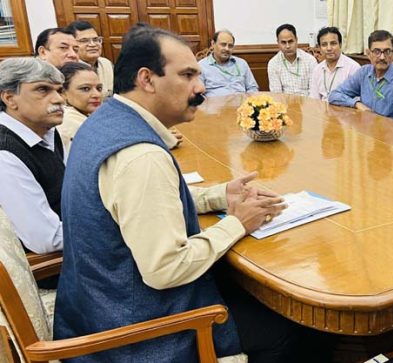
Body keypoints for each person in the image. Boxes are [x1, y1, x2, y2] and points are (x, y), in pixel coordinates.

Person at [54, 27, 296, 362]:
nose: (201, 87)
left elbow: (139, 204)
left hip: (93, 305)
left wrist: (219, 195)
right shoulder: (142, 157)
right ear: (147, 79)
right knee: (289, 329)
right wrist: (238, 223)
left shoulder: (104, 120)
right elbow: (166, 269)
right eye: (188, 75)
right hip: (133, 330)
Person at [0, 58, 65, 255]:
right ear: (10, 99)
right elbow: (46, 239)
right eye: (43, 90)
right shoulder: (5, 153)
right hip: (56, 266)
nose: (59, 99)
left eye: (59, 90)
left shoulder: (46, 132)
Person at [328, 30, 393, 121]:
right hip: (364, 130)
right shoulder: (364, 72)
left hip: (390, 132)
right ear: (368, 53)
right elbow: (334, 95)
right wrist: (357, 104)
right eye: (377, 52)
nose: (382, 57)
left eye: (387, 51)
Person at [56, 62, 103, 154]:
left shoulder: (86, 117)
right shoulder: (69, 123)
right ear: (63, 92)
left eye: (99, 88)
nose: (96, 95)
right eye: (85, 89)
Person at [199, 29, 259, 96]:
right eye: (223, 45)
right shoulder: (201, 66)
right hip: (216, 105)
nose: (227, 49)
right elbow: (198, 94)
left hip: (241, 104)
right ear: (213, 44)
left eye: (230, 46)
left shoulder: (241, 64)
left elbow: (252, 87)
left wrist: (249, 101)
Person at [309, 27, 360, 101]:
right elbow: (314, 99)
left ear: (340, 45)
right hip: (321, 110)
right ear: (319, 48)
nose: (329, 48)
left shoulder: (353, 68)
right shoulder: (317, 69)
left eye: (333, 43)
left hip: (345, 111)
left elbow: (357, 100)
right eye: (324, 45)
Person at [65, 20, 114, 97]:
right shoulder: (68, 69)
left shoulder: (106, 63)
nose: (92, 44)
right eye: (84, 41)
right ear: (72, 44)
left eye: (95, 39)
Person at [267, 24, 317, 95]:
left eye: (290, 41)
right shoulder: (273, 64)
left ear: (296, 40)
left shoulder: (310, 60)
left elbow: (314, 92)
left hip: (308, 103)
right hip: (285, 104)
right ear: (278, 43)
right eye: (283, 42)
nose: (287, 46)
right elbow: (277, 94)